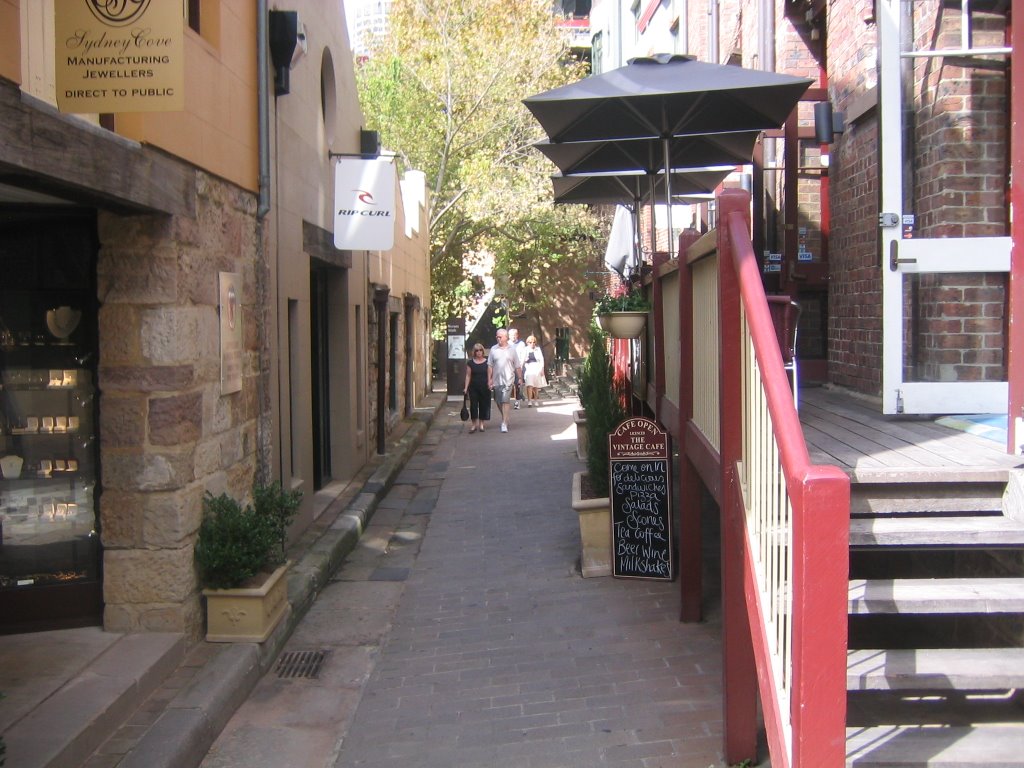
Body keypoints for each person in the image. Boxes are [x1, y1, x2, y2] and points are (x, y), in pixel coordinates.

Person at [488, 328, 523, 433]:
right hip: (496, 380)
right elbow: (490, 365)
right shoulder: (493, 349)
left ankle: (504, 423)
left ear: (506, 337)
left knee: (505, 400)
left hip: (508, 379)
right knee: (498, 401)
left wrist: (520, 378)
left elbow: (517, 366)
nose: (498, 338)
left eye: (500, 337)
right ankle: (505, 416)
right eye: (497, 337)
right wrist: (489, 379)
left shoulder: (512, 350)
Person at [463, 342, 491, 433]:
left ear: (483, 351)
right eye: (476, 351)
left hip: (484, 386)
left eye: (480, 350)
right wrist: (466, 388)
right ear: (474, 352)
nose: (478, 352)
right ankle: (474, 424)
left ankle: (481, 424)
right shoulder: (470, 363)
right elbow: (468, 376)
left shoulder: (487, 362)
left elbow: (490, 375)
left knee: (483, 405)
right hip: (473, 387)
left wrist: (490, 383)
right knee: (473, 405)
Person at [522, 335, 547, 407]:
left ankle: (536, 400)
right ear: (527, 343)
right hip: (529, 368)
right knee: (529, 385)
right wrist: (523, 363)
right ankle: (529, 401)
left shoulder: (538, 349)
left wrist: (542, 369)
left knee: (536, 386)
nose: (532, 344)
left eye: (533, 342)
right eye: (530, 342)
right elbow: (522, 360)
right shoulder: (525, 350)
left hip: (537, 368)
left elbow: (541, 360)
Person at [508, 327, 527, 409]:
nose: (513, 337)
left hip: (518, 367)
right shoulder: (507, 344)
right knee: (508, 384)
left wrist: (521, 366)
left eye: (514, 335)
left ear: (517, 335)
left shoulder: (521, 344)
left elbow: (523, 356)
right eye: (511, 335)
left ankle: (517, 401)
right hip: (509, 367)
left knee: (518, 384)